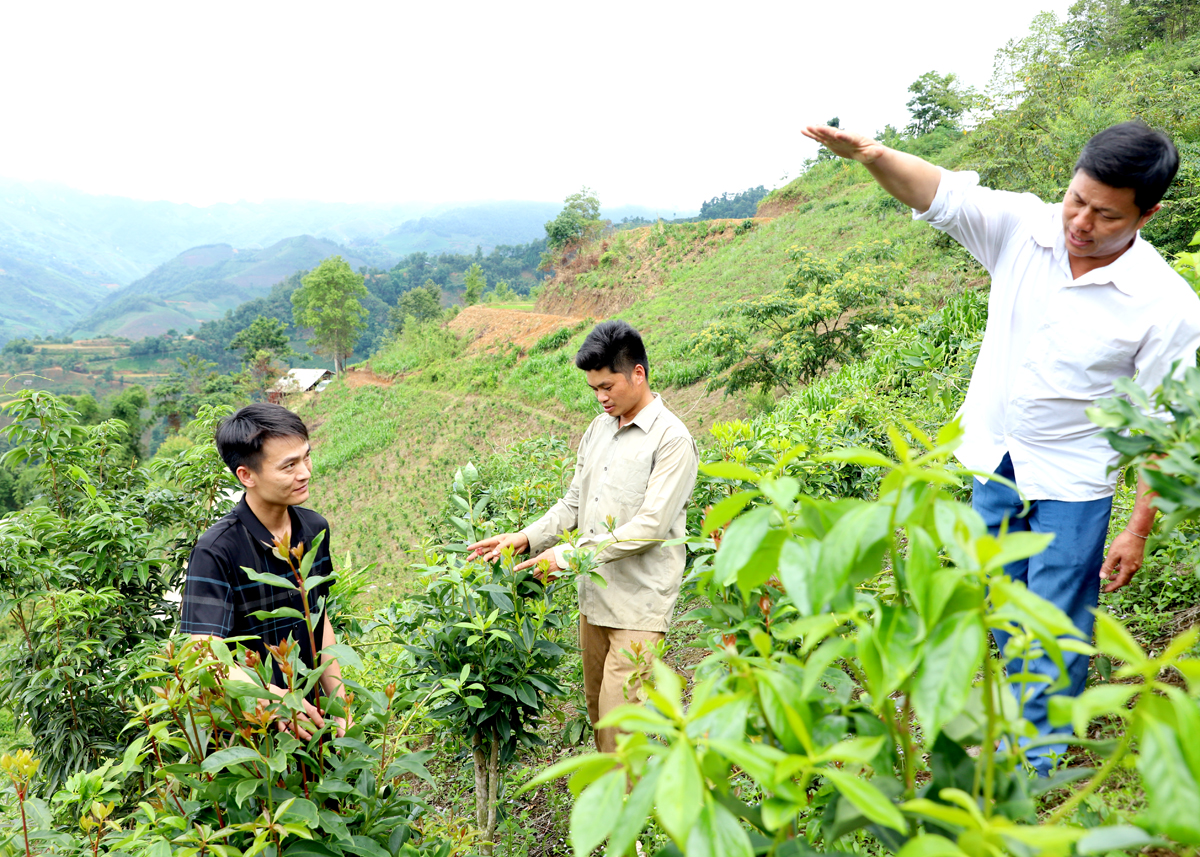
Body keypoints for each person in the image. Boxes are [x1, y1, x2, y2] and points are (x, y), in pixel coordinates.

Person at [802, 120, 1200, 774]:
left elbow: (1165, 424)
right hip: (993, 460)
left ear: (1148, 214)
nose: (1080, 222)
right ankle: (987, 734)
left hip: (1074, 481)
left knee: (1055, 623)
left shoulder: (1165, 306)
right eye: (1077, 199)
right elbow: (940, 194)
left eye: (1106, 215)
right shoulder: (1025, 227)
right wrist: (873, 156)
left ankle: (1032, 767)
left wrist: (1138, 527)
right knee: (988, 602)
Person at [467, 320, 699, 753]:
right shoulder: (598, 430)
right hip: (593, 600)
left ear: (638, 374)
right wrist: (526, 537)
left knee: (618, 725)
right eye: (594, 389)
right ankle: (616, 804)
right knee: (598, 713)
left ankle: (621, 815)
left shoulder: (672, 440)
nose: (601, 397)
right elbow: (574, 504)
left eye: (608, 386)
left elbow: (650, 527)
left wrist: (568, 557)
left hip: (639, 605)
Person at [180, 402, 350, 738]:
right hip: (253, 734)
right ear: (247, 475)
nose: (305, 472)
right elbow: (203, 658)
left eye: (306, 457)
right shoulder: (217, 551)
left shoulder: (314, 529)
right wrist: (276, 700)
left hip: (316, 723)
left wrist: (339, 704)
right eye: (288, 466)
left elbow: (319, 617)